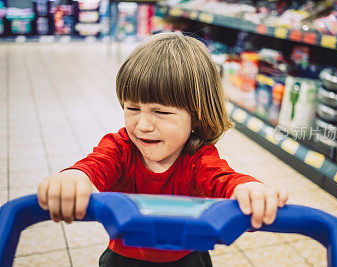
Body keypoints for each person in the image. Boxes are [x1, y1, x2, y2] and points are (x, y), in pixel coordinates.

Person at [37, 32, 288, 267]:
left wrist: (249, 191)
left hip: (187, 258)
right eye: (132, 108)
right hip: (123, 259)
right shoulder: (120, 149)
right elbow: (94, 166)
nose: (144, 125)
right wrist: (73, 179)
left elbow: (224, 180)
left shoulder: (198, 160)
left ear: (197, 117)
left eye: (161, 112)